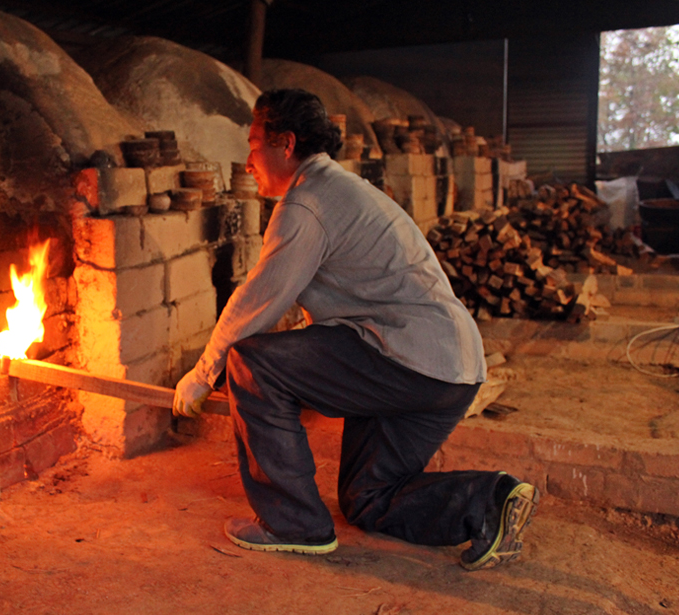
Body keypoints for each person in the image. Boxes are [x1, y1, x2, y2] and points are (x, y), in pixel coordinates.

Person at [172, 88, 538, 571]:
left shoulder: (307, 204)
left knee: (251, 361)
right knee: (368, 499)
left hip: (405, 358)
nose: (247, 160)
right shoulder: (341, 188)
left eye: (254, 144)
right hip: (450, 372)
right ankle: (485, 501)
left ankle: (293, 524)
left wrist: (203, 373)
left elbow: (257, 303)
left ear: (285, 143)